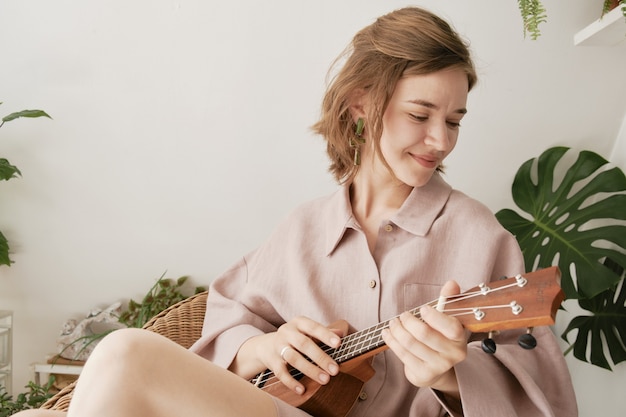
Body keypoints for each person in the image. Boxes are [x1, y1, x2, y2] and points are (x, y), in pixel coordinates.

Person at [18, 6, 577, 417]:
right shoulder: (303, 227)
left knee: (124, 352)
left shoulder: (480, 235)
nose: (440, 139)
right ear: (362, 106)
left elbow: (545, 397)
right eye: (420, 114)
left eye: (453, 120)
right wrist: (261, 347)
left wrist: (453, 378)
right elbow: (226, 320)